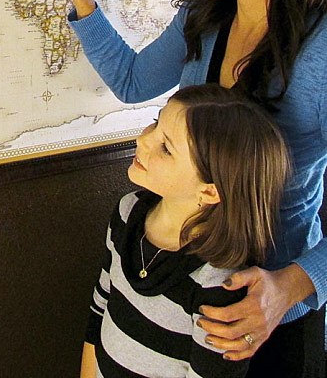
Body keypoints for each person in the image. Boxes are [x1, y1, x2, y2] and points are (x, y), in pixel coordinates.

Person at [39, 0, 327, 376]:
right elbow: (132, 81)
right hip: (175, 291)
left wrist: (292, 285)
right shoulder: (207, 11)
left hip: (263, 322)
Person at [82, 84, 289, 378]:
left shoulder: (218, 284)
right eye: (156, 121)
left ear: (209, 191)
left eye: (166, 148)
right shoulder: (127, 212)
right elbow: (100, 308)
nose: (143, 140)